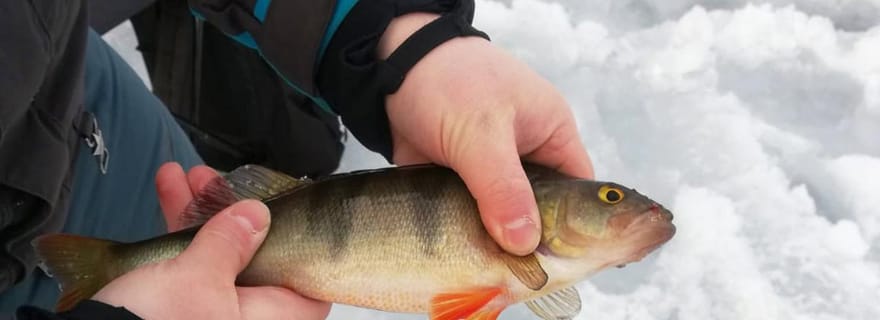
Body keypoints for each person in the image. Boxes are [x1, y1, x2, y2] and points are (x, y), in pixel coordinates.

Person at [1, 0, 593, 318]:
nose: (612, 200)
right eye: (609, 197)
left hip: (55, 90)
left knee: (185, 228)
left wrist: (395, 38)